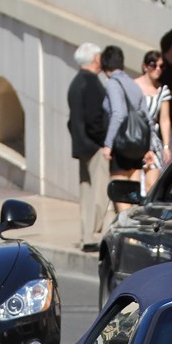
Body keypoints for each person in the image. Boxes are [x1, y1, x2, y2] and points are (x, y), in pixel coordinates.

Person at [67, 42, 109, 249]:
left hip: (81, 144)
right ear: (95, 59)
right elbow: (95, 118)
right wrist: (103, 142)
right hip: (93, 146)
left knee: (86, 192)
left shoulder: (76, 82)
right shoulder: (91, 83)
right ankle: (91, 234)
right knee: (99, 192)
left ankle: (86, 236)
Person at [99, 46, 147, 211]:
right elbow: (145, 115)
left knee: (120, 194)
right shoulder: (134, 84)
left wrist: (108, 144)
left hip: (121, 145)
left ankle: (127, 231)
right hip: (137, 145)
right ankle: (134, 231)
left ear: (105, 66)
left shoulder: (113, 84)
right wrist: (150, 148)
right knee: (133, 194)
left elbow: (118, 114)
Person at [134, 50, 172, 190]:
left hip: (153, 140)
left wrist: (166, 146)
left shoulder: (162, 90)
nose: (157, 69)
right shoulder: (133, 87)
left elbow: (164, 120)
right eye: (153, 65)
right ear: (145, 66)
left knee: (152, 185)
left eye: (161, 66)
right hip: (135, 138)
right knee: (135, 183)